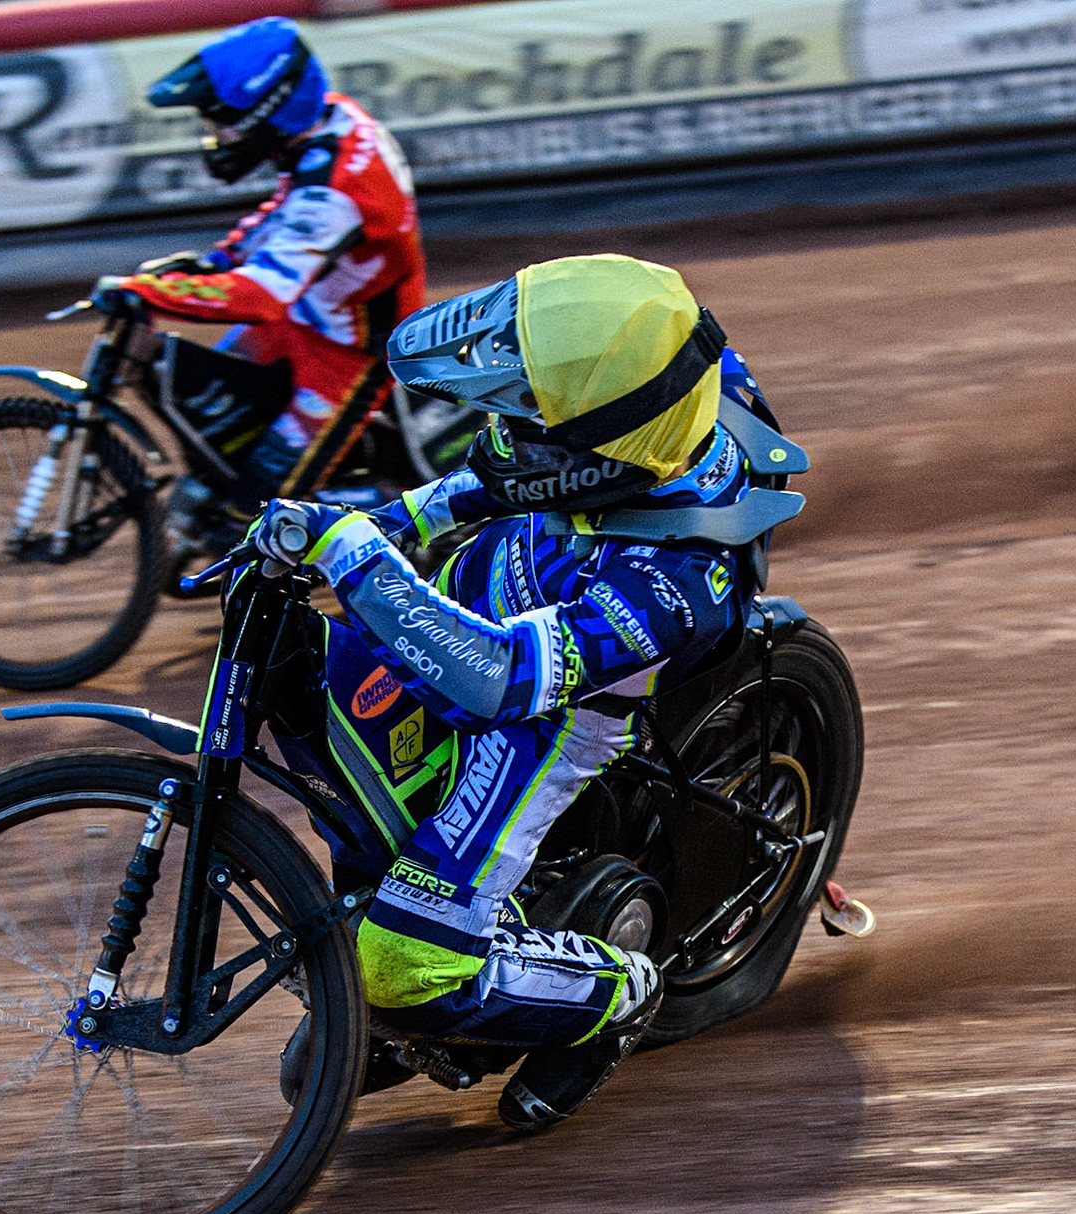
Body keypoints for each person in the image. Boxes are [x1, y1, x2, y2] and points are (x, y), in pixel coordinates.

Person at [245, 253, 802, 1130]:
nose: (506, 422)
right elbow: (504, 471)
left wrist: (357, 554)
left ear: (599, 457)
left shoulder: (678, 583)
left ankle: (619, 992)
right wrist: (403, 519)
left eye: (534, 412)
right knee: (302, 687)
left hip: (545, 719)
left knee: (395, 965)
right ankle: (408, 929)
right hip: (505, 592)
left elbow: (502, 682)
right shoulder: (677, 370)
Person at [107, 17, 424, 509]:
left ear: (269, 109)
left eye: (225, 122)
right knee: (219, 425)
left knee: (258, 501)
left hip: (349, 356)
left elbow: (261, 295)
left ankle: (395, 512)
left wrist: (150, 292)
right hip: (302, 319)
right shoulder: (328, 124)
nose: (217, 137)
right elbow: (283, 213)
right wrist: (216, 261)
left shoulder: (339, 188)